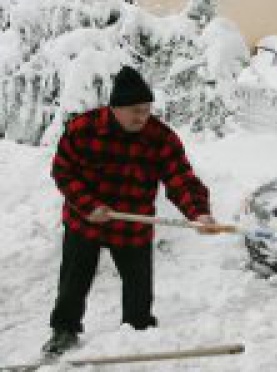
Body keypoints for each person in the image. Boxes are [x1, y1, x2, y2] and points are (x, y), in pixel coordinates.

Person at [43, 65, 217, 355]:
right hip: (85, 219)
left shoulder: (159, 137)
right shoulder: (83, 129)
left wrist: (197, 212)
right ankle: (64, 330)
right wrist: (88, 206)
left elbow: (180, 178)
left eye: (146, 109)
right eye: (135, 110)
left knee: (138, 284)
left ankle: (138, 331)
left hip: (132, 223)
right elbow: (63, 171)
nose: (142, 117)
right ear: (116, 108)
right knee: (74, 279)